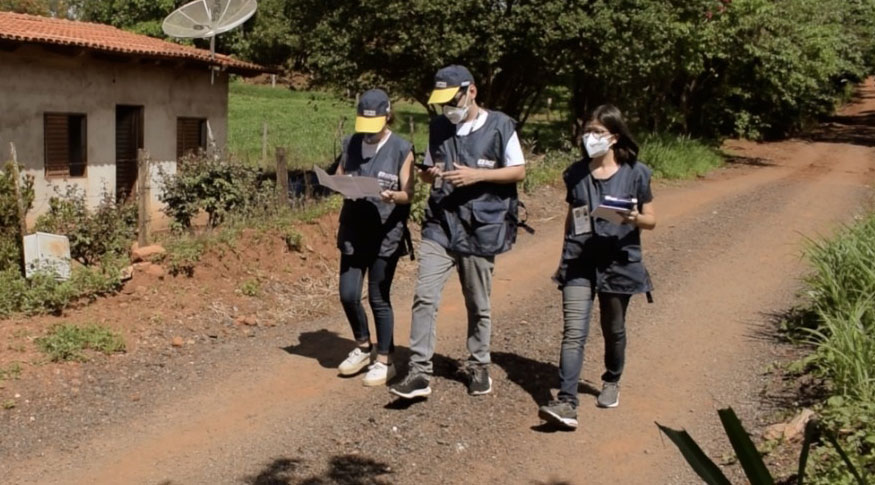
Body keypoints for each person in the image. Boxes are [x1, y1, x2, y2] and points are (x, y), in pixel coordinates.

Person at [389, 65, 526, 399]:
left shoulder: (500, 126)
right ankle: (419, 372)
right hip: (440, 223)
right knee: (425, 297)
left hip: (480, 227)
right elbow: (428, 169)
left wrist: (478, 176)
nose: (448, 107)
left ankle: (479, 364)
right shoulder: (439, 127)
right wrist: (428, 174)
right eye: (443, 102)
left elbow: (518, 171)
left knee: (477, 302)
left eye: (453, 99)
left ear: (471, 91)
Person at [537, 104, 656, 430]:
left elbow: (652, 219)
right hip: (580, 260)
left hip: (619, 262)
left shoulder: (637, 173)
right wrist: (565, 255)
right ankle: (566, 401)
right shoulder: (575, 173)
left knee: (613, 328)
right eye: (587, 131)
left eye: (598, 132)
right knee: (574, 332)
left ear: (614, 137)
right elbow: (571, 216)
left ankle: (612, 379)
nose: (590, 137)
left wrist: (634, 218)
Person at [335, 88, 415, 387]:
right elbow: (340, 174)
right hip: (353, 229)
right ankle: (362, 345)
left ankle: (385, 359)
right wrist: (341, 184)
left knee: (378, 297)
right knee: (348, 294)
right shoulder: (351, 143)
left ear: (387, 116)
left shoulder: (401, 148)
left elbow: (409, 193)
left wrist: (394, 196)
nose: (368, 132)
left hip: (385, 233)